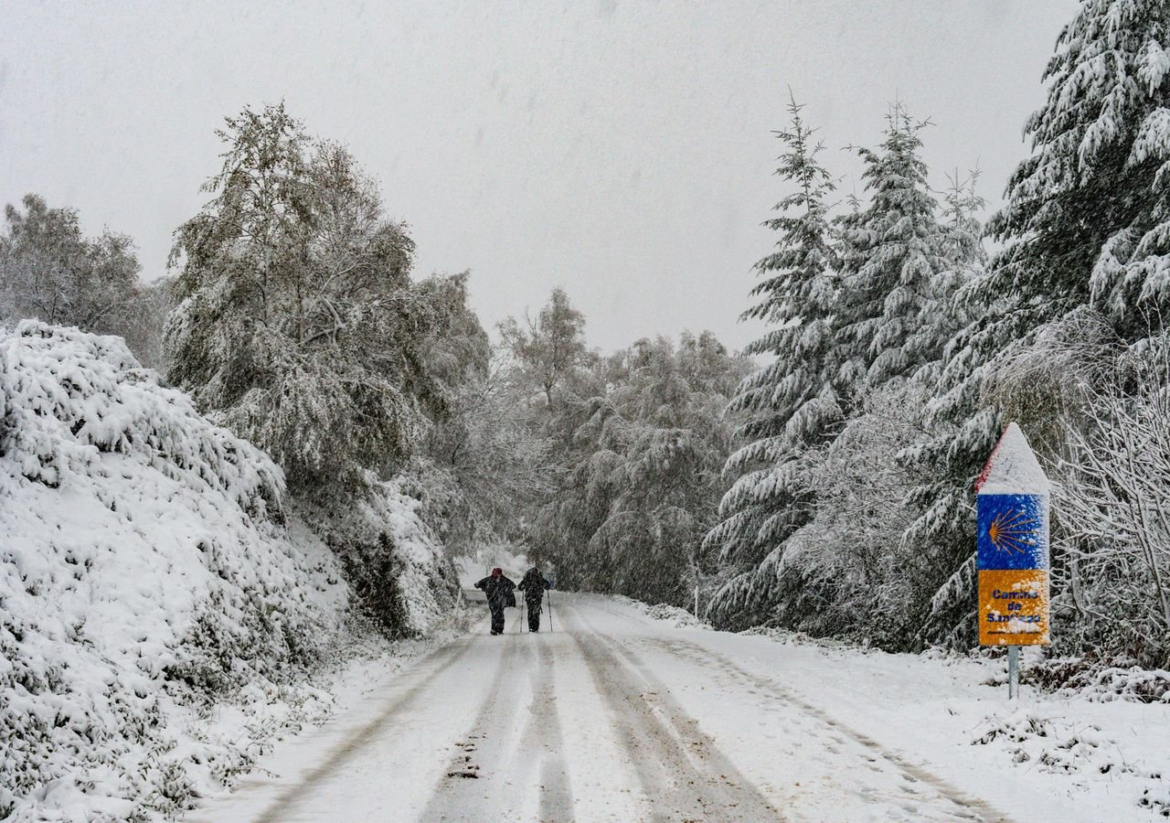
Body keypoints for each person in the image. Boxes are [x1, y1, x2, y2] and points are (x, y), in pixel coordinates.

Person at [474, 567, 516, 636]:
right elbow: (477, 584)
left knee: (499, 614)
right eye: (497, 573)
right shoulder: (489, 580)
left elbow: (513, 585)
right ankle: (495, 629)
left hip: (500, 600)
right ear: (493, 573)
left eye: (499, 574)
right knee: (495, 614)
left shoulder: (503, 580)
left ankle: (499, 629)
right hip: (492, 600)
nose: (498, 575)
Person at [517, 565, 553, 632]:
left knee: (531, 612)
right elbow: (548, 586)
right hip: (537, 597)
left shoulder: (527, 579)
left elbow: (519, 587)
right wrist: (545, 586)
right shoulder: (539, 578)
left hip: (530, 597)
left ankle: (532, 627)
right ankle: (535, 628)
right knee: (535, 613)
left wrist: (523, 587)